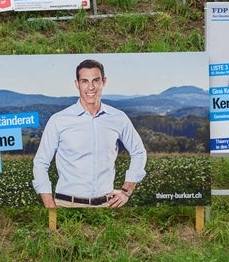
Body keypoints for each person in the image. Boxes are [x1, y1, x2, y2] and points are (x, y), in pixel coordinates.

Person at [32, 59, 147, 209]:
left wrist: (126, 191)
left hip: (107, 206)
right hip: (66, 205)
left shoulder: (118, 118)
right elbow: (40, 163)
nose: (91, 87)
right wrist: (50, 206)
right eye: (85, 81)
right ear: (77, 84)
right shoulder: (58, 121)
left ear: (103, 81)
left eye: (96, 80)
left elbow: (138, 152)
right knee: (57, 234)